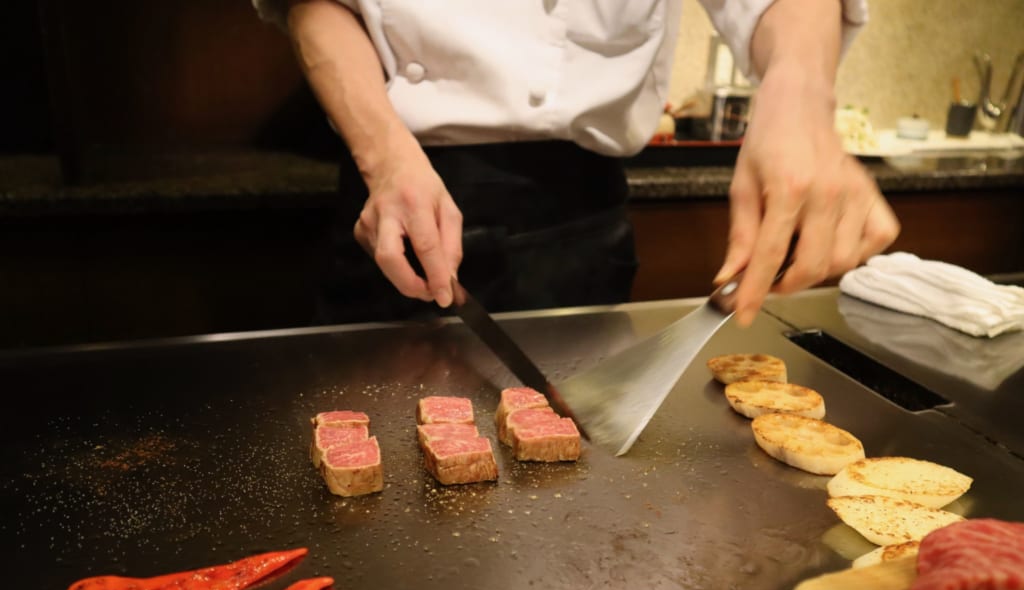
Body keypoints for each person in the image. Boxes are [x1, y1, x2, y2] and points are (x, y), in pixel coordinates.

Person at [253, 0, 899, 326]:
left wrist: (800, 88)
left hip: (581, 223)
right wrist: (385, 155)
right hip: (392, 199)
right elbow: (315, 4)